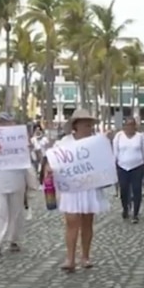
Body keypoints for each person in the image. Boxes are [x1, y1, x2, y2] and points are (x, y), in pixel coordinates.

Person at [45, 109, 109, 272]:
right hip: (71, 188)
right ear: (76, 125)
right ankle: (70, 258)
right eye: (85, 123)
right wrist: (51, 170)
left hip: (89, 186)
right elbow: (53, 161)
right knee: (72, 222)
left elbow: (104, 162)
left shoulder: (96, 143)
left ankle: (85, 256)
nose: (88, 126)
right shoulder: (64, 143)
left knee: (87, 222)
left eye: (90, 123)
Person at [0, 112, 28, 257]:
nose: (3, 125)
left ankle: (14, 240)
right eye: (1, 122)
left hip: (16, 178)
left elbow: (29, 158)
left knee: (16, 212)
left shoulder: (20, 139)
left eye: (6, 122)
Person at [113, 118, 144, 223]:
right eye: (127, 125)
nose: (130, 127)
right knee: (124, 189)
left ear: (135, 126)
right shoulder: (119, 136)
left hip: (137, 167)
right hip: (122, 166)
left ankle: (135, 213)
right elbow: (115, 152)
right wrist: (113, 165)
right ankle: (125, 209)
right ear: (124, 126)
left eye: (132, 125)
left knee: (136, 190)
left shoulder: (140, 137)